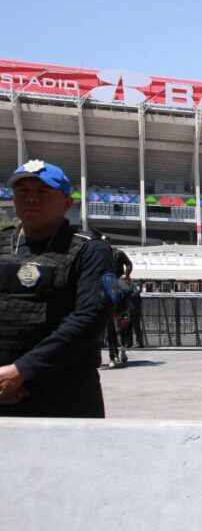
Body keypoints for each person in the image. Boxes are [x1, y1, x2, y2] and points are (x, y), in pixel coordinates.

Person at [0, 160, 114, 418]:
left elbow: (90, 318)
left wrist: (21, 372)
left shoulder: (89, 250)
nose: (31, 198)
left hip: (64, 394)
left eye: (43, 192)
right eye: (22, 191)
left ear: (66, 203)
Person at [99, 234, 133, 366]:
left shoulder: (118, 253)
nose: (103, 245)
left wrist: (126, 274)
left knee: (128, 291)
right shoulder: (98, 255)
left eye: (105, 242)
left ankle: (125, 312)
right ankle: (112, 355)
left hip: (117, 279)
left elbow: (129, 263)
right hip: (105, 279)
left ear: (109, 243)